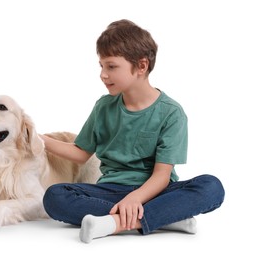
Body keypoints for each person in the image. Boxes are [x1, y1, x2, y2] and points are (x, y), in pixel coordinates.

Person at [40, 19, 225, 243]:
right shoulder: (103, 107)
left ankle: (114, 223)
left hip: (156, 190)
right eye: (101, 66)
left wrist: (136, 198)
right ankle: (165, 217)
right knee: (54, 196)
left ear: (141, 66)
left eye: (111, 66)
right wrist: (37, 139)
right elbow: (81, 152)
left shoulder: (172, 113)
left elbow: (162, 175)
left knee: (212, 187)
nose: (103, 74)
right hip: (111, 190)